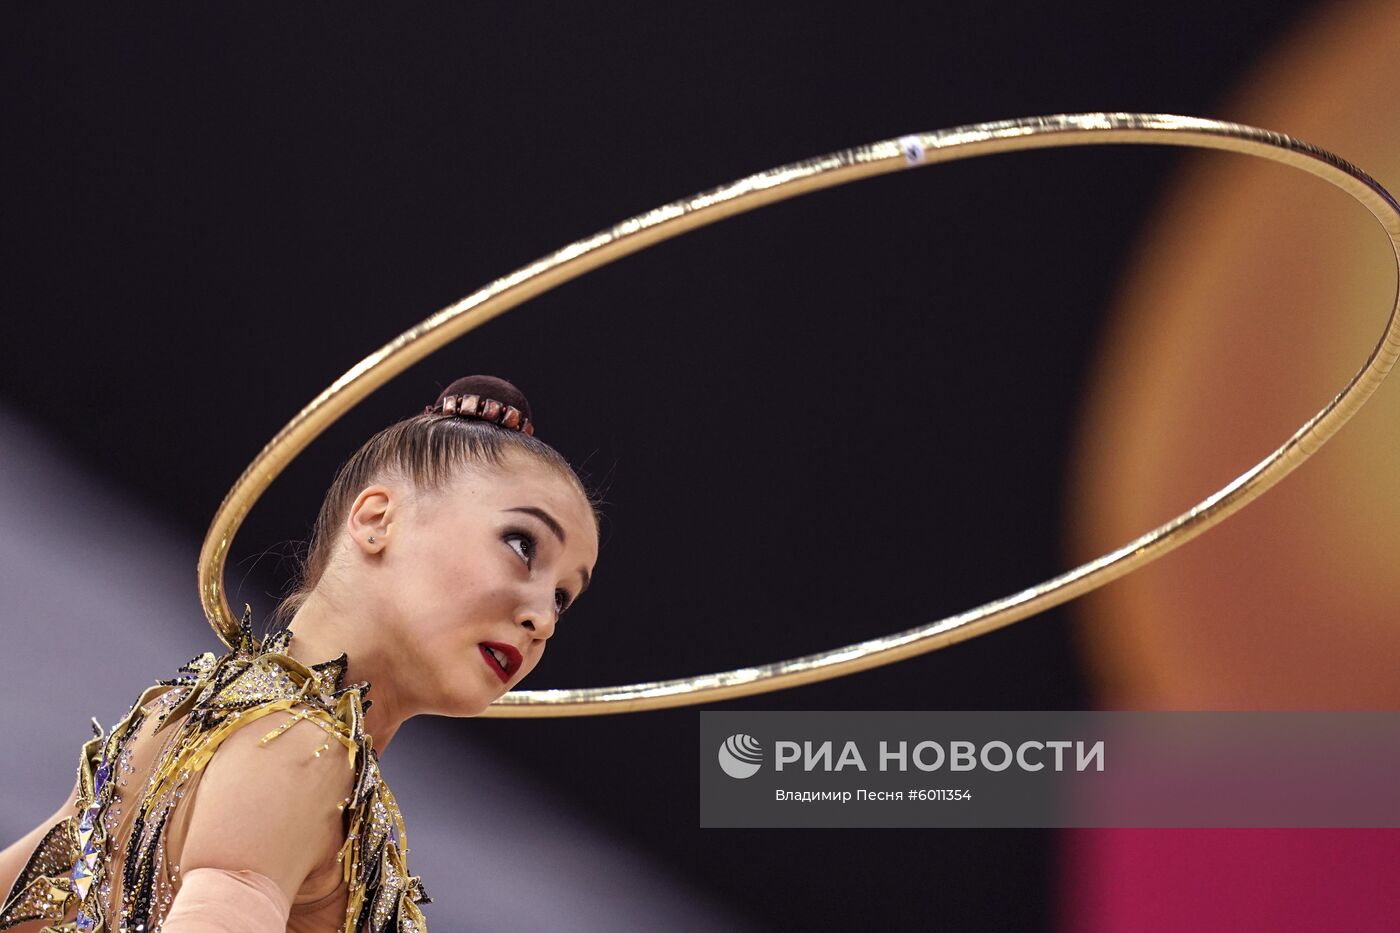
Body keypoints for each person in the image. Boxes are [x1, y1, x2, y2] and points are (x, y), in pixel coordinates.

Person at [0, 374, 602, 933]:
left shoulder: (176, 712)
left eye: (564, 598)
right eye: (522, 545)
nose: (542, 619)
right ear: (377, 520)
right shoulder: (299, 749)